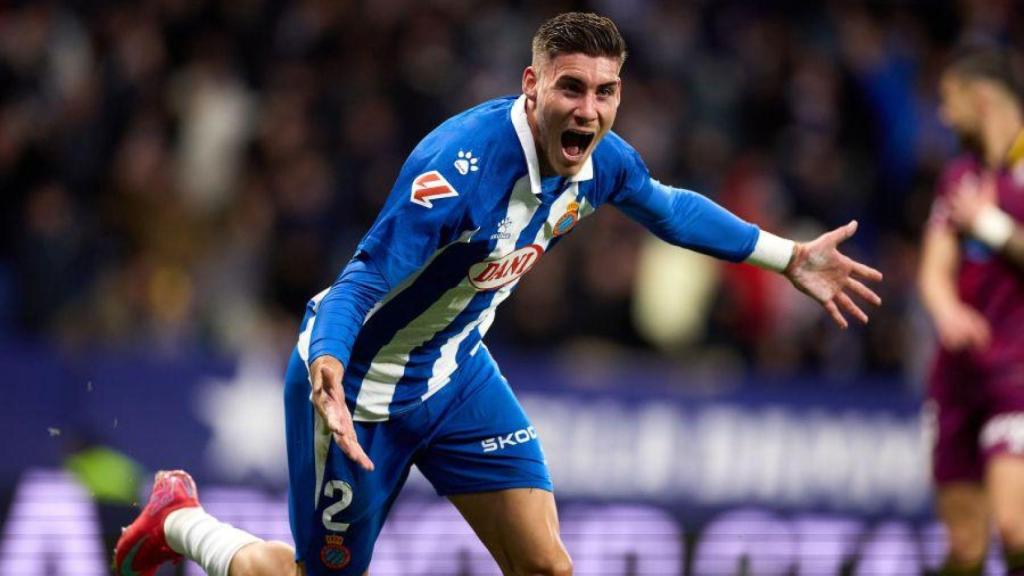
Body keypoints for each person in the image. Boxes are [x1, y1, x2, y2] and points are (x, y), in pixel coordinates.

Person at [114, 12, 882, 576]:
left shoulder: (602, 159)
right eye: (571, 88)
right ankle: (179, 519)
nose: (589, 110)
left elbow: (670, 206)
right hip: (359, 394)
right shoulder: (453, 175)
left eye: (606, 92)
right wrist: (328, 367)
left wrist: (786, 258)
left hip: (455, 375)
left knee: (548, 568)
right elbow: (362, 282)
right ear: (532, 85)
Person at [919, 48, 1024, 576]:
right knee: (964, 548)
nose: (943, 115)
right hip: (958, 375)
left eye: (949, 100)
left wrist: (994, 227)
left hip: (1018, 372)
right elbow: (934, 267)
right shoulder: (958, 175)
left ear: (981, 99)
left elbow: (995, 233)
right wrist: (945, 310)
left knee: (1016, 527)